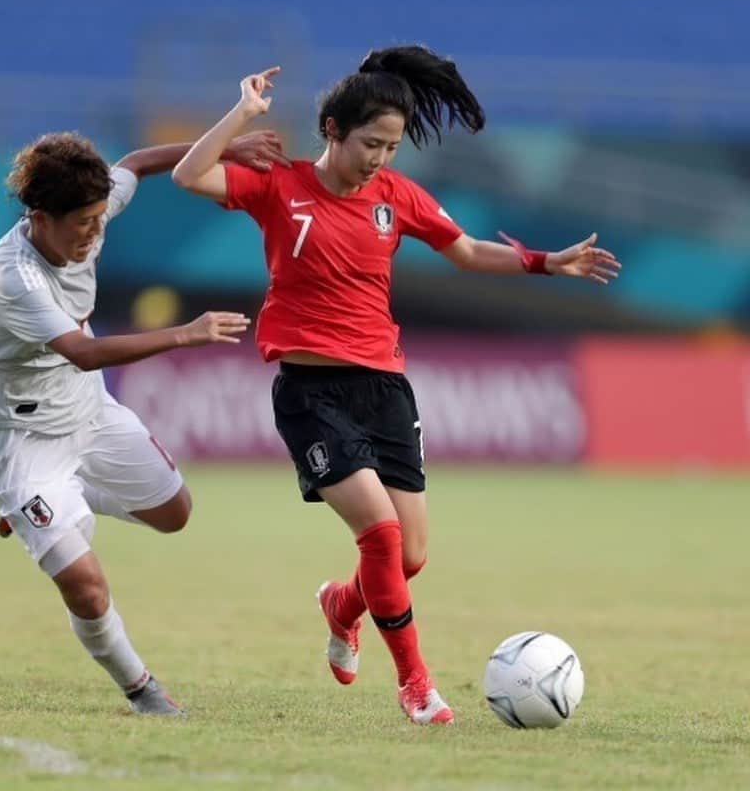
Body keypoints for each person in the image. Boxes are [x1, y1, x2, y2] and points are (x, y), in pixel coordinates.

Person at [171, 45, 620, 725]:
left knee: (409, 556)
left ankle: (340, 605)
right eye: (370, 144)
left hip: (384, 390)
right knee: (379, 537)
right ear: (331, 131)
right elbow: (188, 174)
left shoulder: (396, 198)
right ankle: (416, 684)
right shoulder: (279, 187)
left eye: (391, 146)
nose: (380, 158)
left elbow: (465, 250)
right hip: (311, 394)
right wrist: (242, 112)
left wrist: (543, 262)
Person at [0, 129, 288, 715]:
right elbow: (83, 352)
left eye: (99, 218)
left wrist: (226, 149)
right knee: (87, 589)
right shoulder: (14, 278)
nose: (94, 233)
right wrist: (184, 333)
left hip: (90, 414)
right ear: (40, 218)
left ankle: (45, 509)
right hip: (26, 443)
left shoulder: (87, 213)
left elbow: (137, 163)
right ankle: (143, 691)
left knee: (176, 513)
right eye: (82, 223)